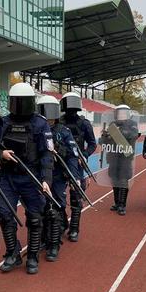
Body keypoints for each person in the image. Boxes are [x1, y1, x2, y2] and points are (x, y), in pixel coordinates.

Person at [0, 82, 54, 274]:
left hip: (32, 177)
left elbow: (46, 154)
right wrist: (0, 154)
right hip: (8, 177)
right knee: (5, 215)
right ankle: (13, 252)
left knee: (35, 218)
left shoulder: (40, 123)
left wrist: (46, 179)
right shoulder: (3, 122)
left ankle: (33, 256)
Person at [37, 95, 80, 260]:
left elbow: (72, 156)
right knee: (39, 209)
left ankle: (53, 244)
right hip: (39, 175)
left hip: (57, 176)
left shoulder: (63, 131)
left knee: (54, 208)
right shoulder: (35, 129)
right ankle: (42, 238)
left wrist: (74, 176)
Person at [59, 92, 96, 240]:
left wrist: (85, 155)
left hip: (77, 164)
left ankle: (74, 229)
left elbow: (92, 144)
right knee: (57, 197)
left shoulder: (84, 123)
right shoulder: (58, 122)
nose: (71, 111)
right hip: (59, 164)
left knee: (76, 197)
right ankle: (62, 222)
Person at [99, 104, 139, 215]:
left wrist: (117, 133)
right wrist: (104, 136)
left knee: (123, 180)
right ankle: (117, 203)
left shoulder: (132, 124)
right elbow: (104, 142)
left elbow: (133, 135)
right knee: (114, 179)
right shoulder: (112, 125)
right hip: (113, 157)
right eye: (119, 112)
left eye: (123, 112)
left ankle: (122, 205)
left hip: (125, 157)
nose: (121, 114)